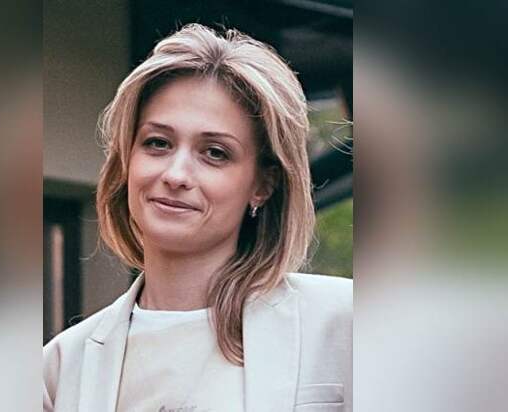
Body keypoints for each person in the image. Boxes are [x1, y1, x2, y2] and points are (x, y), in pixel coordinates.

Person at [43, 23, 351, 412]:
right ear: (126, 161)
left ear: (263, 184)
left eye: (215, 153)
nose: (176, 175)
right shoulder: (61, 367)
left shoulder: (345, 324)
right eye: (157, 143)